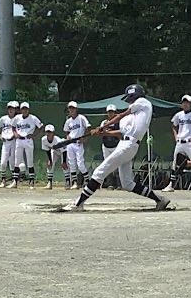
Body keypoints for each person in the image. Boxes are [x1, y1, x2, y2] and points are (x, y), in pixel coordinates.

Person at [63, 84, 170, 212]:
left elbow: (120, 116)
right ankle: (160, 199)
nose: (129, 101)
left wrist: (101, 127)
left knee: (98, 172)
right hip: (126, 144)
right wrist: (103, 133)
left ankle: (78, 203)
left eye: (130, 98)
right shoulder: (134, 117)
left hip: (128, 145)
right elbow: (120, 133)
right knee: (127, 183)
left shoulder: (143, 102)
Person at [162, 94, 191, 192]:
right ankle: (171, 185)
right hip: (179, 143)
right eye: (184, 102)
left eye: (187, 102)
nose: (185, 104)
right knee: (175, 164)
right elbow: (174, 125)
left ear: (190, 104)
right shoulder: (178, 115)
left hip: (189, 143)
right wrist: (176, 136)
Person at [8, 102, 43, 189]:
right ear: (21, 110)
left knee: (30, 161)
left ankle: (31, 182)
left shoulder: (33, 118)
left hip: (28, 140)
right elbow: (12, 126)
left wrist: (34, 135)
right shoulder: (17, 117)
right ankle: (15, 182)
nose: (25, 110)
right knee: (17, 161)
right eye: (23, 109)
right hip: (19, 140)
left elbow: (41, 126)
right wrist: (15, 133)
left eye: (26, 109)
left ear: (28, 109)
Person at [63, 101, 91, 189]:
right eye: (70, 108)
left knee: (80, 163)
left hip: (78, 143)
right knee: (72, 163)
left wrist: (85, 138)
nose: (71, 110)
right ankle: (74, 182)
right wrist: (67, 137)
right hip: (70, 143)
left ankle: (87, 180)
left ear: (76, 109)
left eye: (73, 108)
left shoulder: (81, 118)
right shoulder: (68, 121)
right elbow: (67, 131)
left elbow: (88, 127)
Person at [0, 101, 18, 187]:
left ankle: (13, 181)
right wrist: (0, 135)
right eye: (9, 108)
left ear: (15, 110)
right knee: (3, 162)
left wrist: (15, 135)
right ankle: (3, 181)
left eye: (12, 109)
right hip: (5, 142)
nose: (11, 110)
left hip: (14, 141)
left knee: (12, 162)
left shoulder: (17, 119)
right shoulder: (3, 118)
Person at [41, 124, 68, 190]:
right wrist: (50, 160)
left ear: (53, 133)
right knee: (50, 164)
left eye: (50, 132)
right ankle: (49, 183)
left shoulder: (58, 141)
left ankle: (68, 182)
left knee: (65, 166)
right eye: (47, 132)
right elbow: (47, 150)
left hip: (64, 151)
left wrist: (64, 162)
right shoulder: (44, 139)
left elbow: (64, 151)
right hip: (54, 151)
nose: (48, 134)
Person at [100, 104, 121, 189]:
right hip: (106, 145)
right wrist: (104, 131)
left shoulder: (119, 123)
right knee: (107, 164)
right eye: (109, 112)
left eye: (112, 112)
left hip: (116, 145)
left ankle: (119, 183)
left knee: (117, 163)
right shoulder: (104, 122)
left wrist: (110, 132)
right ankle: (110, 183)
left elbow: (120, 133)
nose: (110, 114)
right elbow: (101, 133)